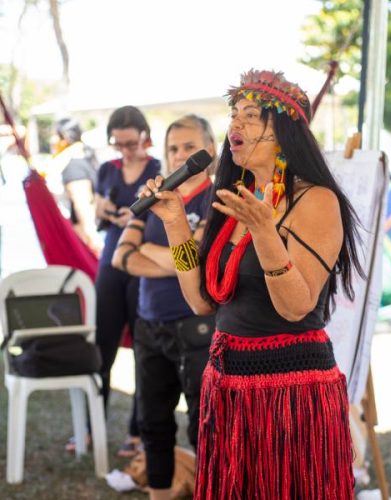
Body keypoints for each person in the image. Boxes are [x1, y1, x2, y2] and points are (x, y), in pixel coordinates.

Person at [139, 69, 364, 499]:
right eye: (234, 115)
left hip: (293, 391)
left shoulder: (315, 200)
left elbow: (297, 306)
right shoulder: (234, 200)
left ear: (282, 132)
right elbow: (203, 301)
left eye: (251, 115)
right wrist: (174, 225)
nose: (235, 126)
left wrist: (264, 234)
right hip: (229, 384)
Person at [112, 114, 216, 499]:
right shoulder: (152, 196)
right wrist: (174, 256)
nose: (180, 156)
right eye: (174, 148)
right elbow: (121, 258)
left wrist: (154, 252)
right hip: (149, 325)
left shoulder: (216, 199)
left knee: (204, 426)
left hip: (196, 326)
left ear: (210, 150)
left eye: (190, 147)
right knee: (154, 424)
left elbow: (196, 260)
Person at [84, 106, 161, 456]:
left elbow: (153, 213)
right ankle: (91, 427)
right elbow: (98, 208)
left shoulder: (158, 169)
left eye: (130, 143)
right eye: (118, 144)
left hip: (142, 263)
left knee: (143, 350)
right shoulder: (106, 169)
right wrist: (118, 212)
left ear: (144, 137)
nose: (125, 150)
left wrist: (125, 214)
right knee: (102, 346)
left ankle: (137, 431)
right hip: (110, 264)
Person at [51, 117, 102, 256]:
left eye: (55, 135)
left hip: (85, 238)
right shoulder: (82, 158)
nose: (52, 140)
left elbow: (83, 205)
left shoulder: (73, 166)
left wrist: (92, 240)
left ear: (65, 138)